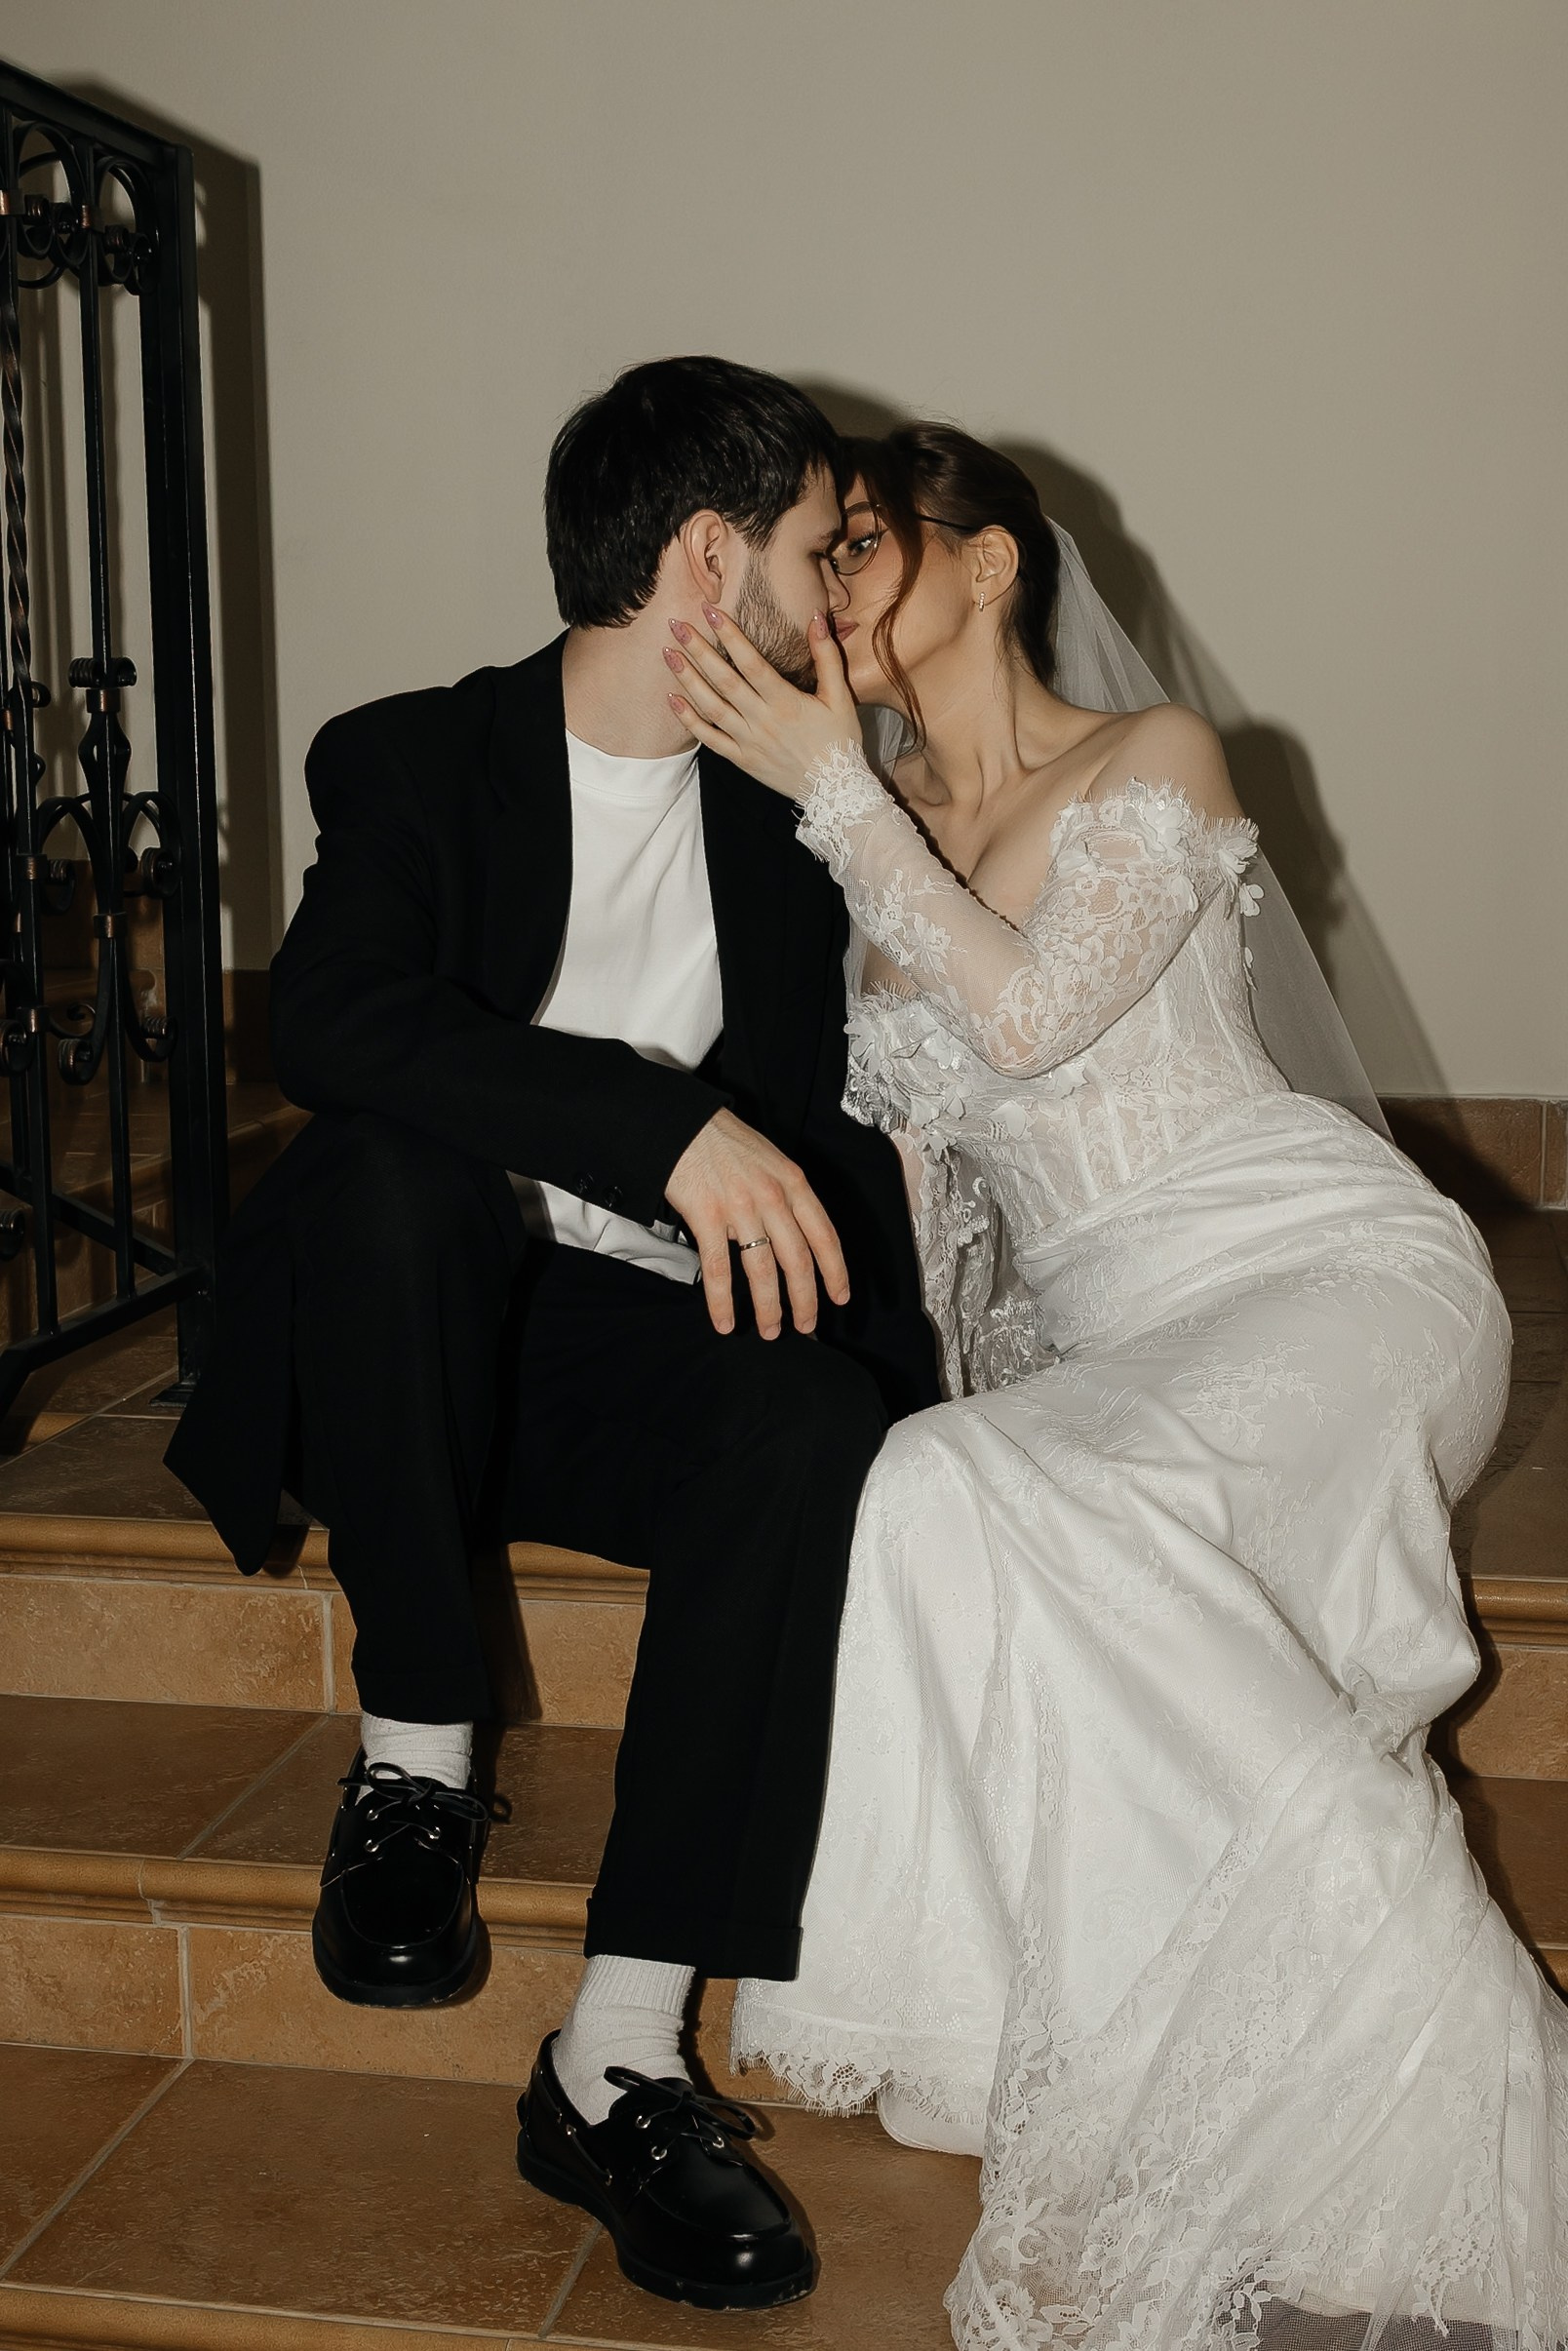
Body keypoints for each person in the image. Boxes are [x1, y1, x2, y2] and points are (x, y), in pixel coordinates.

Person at [666, 423, 1565, 2350]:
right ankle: (1137, 2038)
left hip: (1331, 1277)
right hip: (1131, 1345)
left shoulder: (1149, 762)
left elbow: (1032, 1019)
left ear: (989, 565)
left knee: (1041, 1501)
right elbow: (947, 1208)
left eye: (864, 548)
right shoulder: (875, 840)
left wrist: (835, 797)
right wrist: (959, 1402)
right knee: (934, 1484)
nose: (829, 594)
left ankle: (1441, 2075)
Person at [165, 358, 939, 2314]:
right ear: (708, 561)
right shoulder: (418, 758)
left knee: (805, 1421)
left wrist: (903, 1381)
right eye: (818, 549)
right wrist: (654, 1126)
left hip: (611, 1363)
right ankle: (418, 1756)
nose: (839, 592)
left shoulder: (788, 821)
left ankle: (619, 2054)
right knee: (391, 1173)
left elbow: (843, 1143)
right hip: (395, 1348)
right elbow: (328, 1022)